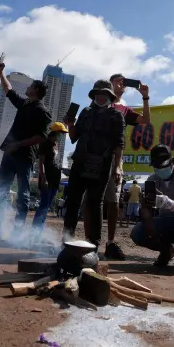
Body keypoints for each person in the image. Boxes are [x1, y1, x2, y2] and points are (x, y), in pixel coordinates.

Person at [0, 57, 51, 245]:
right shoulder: (24, 104)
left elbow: (42, 137)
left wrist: (18, 145)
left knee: (23, 196)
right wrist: (1, 72)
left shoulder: (42, 111)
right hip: (10, 154)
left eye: (30, 86)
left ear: (35, 90)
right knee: (1, 193)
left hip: (24, 157)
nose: (27, 88)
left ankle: (16, 236)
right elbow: (8, 90)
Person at [62, 80, 125, 247]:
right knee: (73, 201)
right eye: (98, 94)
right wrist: (71, 125)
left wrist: (117, 167)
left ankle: (93, 244)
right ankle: (66, 239)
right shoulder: (86, 112)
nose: (101, 97)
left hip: (102, 164)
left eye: (104, 94)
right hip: (80, 162)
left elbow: (119, 144)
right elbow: (74, 137)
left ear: (110, 97)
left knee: (95, 202)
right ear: (94, 95)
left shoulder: (117, 116)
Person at [98, 74, 151, 260]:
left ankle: (110, 242)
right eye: (117, 80)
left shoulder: (124, 109)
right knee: (92, 199)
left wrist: (145, 97)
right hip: (95, 155)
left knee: (113, 200)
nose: (121, 83)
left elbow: (145, 121)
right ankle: (90, 241)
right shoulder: (101, 101)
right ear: (109, 84)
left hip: (114, 157)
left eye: (123, 81)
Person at [130, 144, 174, 272]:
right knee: (137, 232)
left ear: (172, 161)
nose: (160, 169)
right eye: (157, 167)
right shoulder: (153, 179)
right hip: (164, 221)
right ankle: (166, 251)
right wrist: (148, 220)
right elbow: (146, 208)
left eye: (163, 165)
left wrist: (169, 203)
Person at [32, 122, 68, 231]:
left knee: (47, 205)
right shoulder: (45, 143)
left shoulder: (55, 145)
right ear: (55, 133)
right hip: (47, 178)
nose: (62, 136)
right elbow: (41, 162)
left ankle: (40, 229)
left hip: (55, 178)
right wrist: (43, 177)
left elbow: (54, 162)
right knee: (43, 204)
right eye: (61, 133)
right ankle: (35, 230)